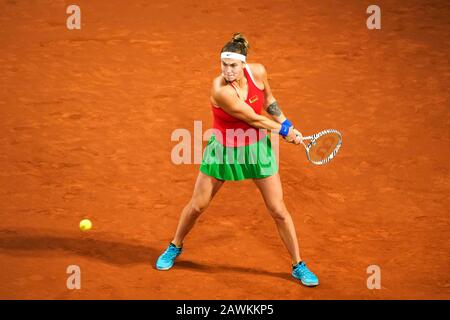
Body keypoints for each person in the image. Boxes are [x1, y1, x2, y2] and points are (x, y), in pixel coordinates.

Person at [156, 33, 319, 287]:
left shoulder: (259, 73)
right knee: (197, 205)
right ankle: (175, 245)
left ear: (244, 64)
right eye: (224, 65)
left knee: (278, 210)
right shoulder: (220, 90)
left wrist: (286, 122)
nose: (228, 71)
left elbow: (269, 101)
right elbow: (253, 119)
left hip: (256, 151)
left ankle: (298, 264)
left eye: (233, 65)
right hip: (223, 150)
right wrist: (285, 132)